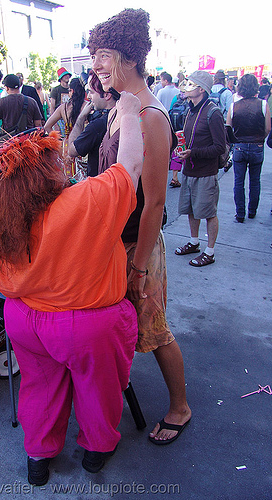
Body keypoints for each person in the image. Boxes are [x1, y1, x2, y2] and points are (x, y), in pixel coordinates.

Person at [0, 91, 143, 485]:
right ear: (47, 172)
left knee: (39, 386)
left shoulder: (0, 220)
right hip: (87, 325)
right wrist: (129, 110)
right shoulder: (86, 200)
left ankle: (38, 458)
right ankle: (95, 451)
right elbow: (132, 165)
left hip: (24, 320)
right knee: (98, 389)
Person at [89, 8, 191, 445]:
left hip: (139, 245)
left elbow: (154, 204)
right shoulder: (120, 107)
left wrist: (141, 267)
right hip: (117, 241)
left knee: (154, 326)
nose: (97, 65)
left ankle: (180, 408)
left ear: (129, 58)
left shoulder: (150, 115)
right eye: (94, 55)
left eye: (105, 55)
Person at [175, 70, 226, 266]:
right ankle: (194, 242)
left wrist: (193, 152)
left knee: (208, 212)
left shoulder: (213, 113)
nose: (187, 87)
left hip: (205, 173)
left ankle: (210, 252)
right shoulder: (190, 110)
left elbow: (219, 147)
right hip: (189, 170)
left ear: (201, 89)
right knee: (191, 210)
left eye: (191, 84)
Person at [226, 73, 271, 222]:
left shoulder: (234, 106)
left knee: (239, 182)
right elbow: (267, 128)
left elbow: (229, 129)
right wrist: (260, 139)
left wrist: (235, 143)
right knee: (255, 180)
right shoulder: (263, 104)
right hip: (257, 145)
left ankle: (240, 213)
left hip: (239, 146)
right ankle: (252, 210)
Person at [68, 71, 116, 177]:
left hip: (100, 187)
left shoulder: (97, 126)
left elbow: (71, 151)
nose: (89, 96)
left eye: (91, 92)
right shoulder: (121, 115)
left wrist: (81, 117)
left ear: (107, 95)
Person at [44, 78, 86, 176]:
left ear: (72, 91)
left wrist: (59, 141)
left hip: (67, 145)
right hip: (84, 144)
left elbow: (47, 126)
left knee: (69, 176)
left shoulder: (63, 108)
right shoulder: (87, 106)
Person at [0, 74, 42, 141]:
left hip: (9, 143)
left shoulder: (2, 102)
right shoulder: (31, 101)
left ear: (7, 88)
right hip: (28, 142)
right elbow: (38, 124)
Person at [49, 67, 71, 136]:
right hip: (59, 119)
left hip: (70, 118)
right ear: (61, 78)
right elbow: (52, 107)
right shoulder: (56, 90)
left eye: (68, 75)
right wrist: (55, 123)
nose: (67, 76)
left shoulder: (72, 88)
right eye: (65, 75)